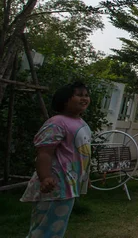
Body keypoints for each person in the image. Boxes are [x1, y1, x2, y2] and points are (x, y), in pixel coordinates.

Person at [21, 82, 93, 238]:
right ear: (65, 100)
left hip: (68, 186)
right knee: (44, 231)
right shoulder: (57, 122)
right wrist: (45, 177)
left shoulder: (81, 123)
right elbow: (44, 152)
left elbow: (81, 155)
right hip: (55, 186)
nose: (84, 98)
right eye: (79, 95)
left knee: (55, 229)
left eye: (86, 95)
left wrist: (84, 178)